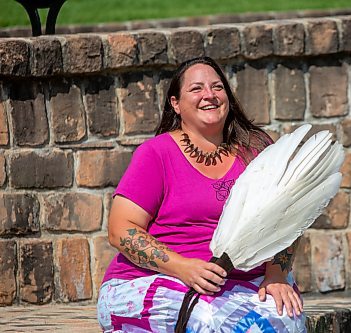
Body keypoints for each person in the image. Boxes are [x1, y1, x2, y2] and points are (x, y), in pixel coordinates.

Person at [97, 56, 306, 332]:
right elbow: (121, 229)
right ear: (176, 104)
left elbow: (291, 215)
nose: (209, 95)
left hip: (246, 283)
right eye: (196, 89)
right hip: (157, 278)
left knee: (284, 319)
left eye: (217, 87)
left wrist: (277, 273)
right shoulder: (156, 154)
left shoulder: (257, 149)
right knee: (208, 322)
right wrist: (184, 267)